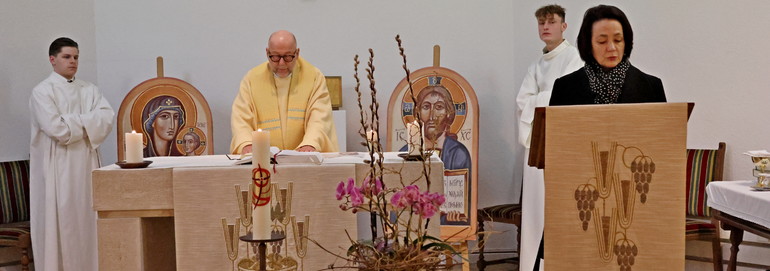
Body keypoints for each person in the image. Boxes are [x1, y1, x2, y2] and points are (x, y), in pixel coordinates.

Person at [536, 5, 667, 270]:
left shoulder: (651, 86)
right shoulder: (566, 88)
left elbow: (662, 150)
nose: (612, 48)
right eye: (602, 41)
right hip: (581, 200)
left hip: (634, 205)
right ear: (588, 44)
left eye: (618, 40)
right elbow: (554, 151)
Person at [29, 37, 114, 271]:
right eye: (67, 57)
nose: (73, 62)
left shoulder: (89, 89)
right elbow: (58, 131)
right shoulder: (42, 92)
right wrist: (88, 123)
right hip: (57, 167)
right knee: (61, 222)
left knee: (87, 222)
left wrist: (72, 121)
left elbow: (106, 118)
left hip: (86, 165)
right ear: (52, 59)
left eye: (76, 57)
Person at [515, 4, 583, 271]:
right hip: (537, 142)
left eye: (551, 22)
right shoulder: (536, 64)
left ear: (563, 26)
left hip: (559, 145)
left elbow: (567, 98)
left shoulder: (574, 58)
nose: (545, 27)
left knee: (554, 208)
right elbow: (522, 101)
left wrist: (539, 101)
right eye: (541, 23)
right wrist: (542, 101)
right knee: (535, 210)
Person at [230, 30, 338, 154]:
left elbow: (320, 116)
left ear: (297, 53)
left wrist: (310, 143)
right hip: (264, 160)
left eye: (288, 57)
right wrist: (246, 143)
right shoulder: (252, 79)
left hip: (305, 158)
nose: (281, 63)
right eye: (275, 57)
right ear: (267, 53)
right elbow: (241, 117)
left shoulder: (314, 77)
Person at [399, 84, 471, 224]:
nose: (432, 116)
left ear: (449, 113)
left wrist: (457, 216)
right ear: (418, 113)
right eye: (426, 107)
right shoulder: (404, 153)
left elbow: (464, 199)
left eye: (439, 107)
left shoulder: (458, 153)